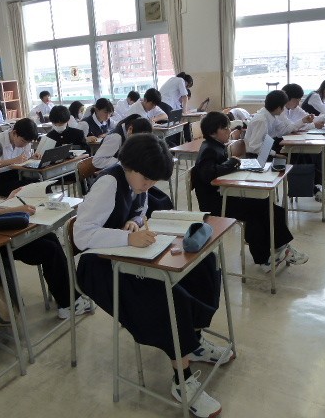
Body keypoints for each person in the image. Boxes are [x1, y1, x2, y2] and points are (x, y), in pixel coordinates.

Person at [75, 134, 231, 418]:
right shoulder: (108, 183)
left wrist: (134, 223)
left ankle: (193, 342)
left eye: (152, 182)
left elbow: (141, 210)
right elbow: (81, 235)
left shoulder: (137, 180)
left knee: (203, 267)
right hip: (99, 267)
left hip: (126, 255)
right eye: (146, 180)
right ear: (129, 165)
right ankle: (182, 381)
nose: (147, 186)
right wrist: (126, 238)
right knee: (169, 297)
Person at [0, 132, 92, 318]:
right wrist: (14, 209)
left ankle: (68, 296)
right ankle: (68, 303)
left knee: (50, 238)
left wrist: (8, 201)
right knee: (49, 249)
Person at [193, 111, 309, 272]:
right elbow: (208, 174)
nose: (228, 131)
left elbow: (218, 170)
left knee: (269, 207)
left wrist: (232, 164)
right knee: (259, 211)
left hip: (225, 194)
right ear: (212, 132)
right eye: (224, 129)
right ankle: (267, 257)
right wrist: (231, 163)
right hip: (216, 202)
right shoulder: (208, 149)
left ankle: (280, 249)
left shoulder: (215, 145)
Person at [281, 84, 325, 207]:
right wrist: (311, 124)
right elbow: (289, 128)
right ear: (288, 98)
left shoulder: (294, 108)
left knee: (319, 154)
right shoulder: (281, 110)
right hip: (282, 144)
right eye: (297, 100)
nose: (298, 103)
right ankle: (317, 190)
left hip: (292, 141)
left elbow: (311, 118)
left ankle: (322, 188)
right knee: (307, 156)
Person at [0, 118, 39, 198]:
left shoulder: (26, 140)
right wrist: (14, 161)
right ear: (14, 133)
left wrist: (31, 158)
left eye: (28, 142)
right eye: (23, 141)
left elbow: (23, 161)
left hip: (19, 174)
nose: (25, 145)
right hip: (0, 179)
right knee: (31, 187)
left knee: (40, 183)